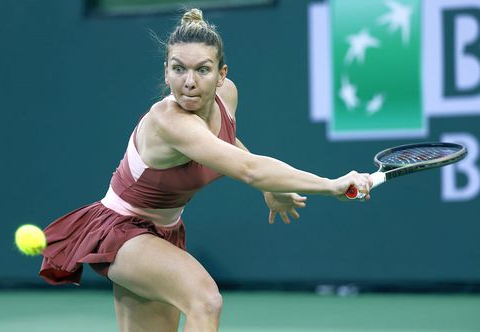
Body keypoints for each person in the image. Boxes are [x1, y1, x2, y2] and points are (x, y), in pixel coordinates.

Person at [40, 8, 372, 332]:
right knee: (205, 300)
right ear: (166, 72)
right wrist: (332, 185)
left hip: (163, 232)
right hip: (122, 230)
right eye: (178, 69)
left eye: (202, 70)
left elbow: (227, 146)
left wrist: (271, 188)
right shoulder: (168, 121)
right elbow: (249, 168)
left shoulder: (227, 97)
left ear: (221, 75)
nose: (189, 82)